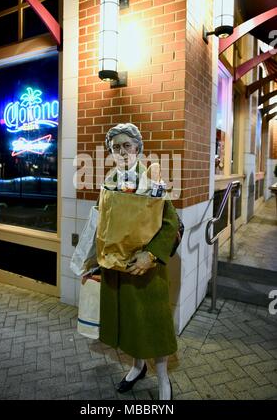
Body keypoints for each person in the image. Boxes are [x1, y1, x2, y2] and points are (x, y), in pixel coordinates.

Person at [98, 123, 179, 400]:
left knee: (153, 325)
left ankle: (164, 379)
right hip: (117, 269)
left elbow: (172, 224)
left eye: (127, 146)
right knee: (130, 324)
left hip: (146, 270)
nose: (122, 152)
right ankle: (137, 367)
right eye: (116, 147)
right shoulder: (108, 181)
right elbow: (101, 222)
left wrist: (151, 254)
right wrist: (92, 260)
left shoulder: (154, 182)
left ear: (138, 149)